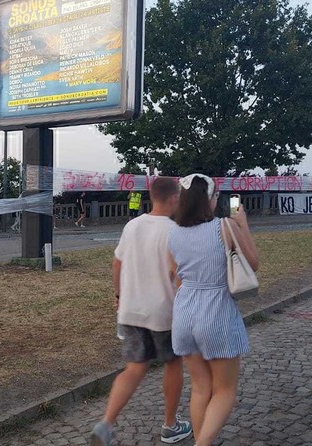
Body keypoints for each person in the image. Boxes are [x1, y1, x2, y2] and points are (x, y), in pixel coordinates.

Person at [90, 177, 192, 446]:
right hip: (163, 311)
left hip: (132, 309)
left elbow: (117, 263)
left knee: (134, 367)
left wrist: (119, 296)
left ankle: (106, 423)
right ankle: (170, 425)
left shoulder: (132, 225)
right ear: (173, 198)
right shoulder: (174, 231)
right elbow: (177, 274)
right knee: (173, 362)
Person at [168, 174, 259, 446]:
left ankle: (201, 439)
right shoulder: (224, 226)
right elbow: (252, 264)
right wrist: (243, 226)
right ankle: (202, 443)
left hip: (184, 312)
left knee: (199, 388)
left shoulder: (172, 233)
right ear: (210, 200)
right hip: (216, 310)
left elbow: (177, 276)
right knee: (224, 390)